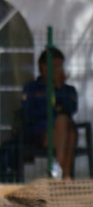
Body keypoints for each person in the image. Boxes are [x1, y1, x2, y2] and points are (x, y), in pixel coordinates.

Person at [20, 48, 79, 180]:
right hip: (40, 133)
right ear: (44, 66)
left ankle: (58, 172)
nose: (58, 70)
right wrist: (53, 111)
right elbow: (29, 111)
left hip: (61, 132)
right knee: (66, 127)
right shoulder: (32, 88)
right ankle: (64, 176)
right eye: (55, 66)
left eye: (60, 66)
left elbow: (71, 109)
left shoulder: (68, 89)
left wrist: (59, 88)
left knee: (68, 127)